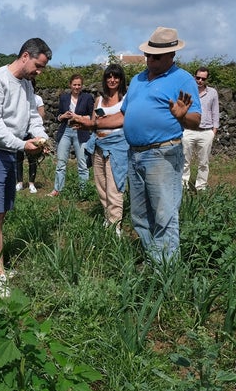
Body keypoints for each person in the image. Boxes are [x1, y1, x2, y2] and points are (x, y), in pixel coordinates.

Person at [0, 37, 51, 294]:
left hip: (7, 150)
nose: (38, 72)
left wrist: (41, 138)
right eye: (37, 66)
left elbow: (31, 117)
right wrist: (23, 144)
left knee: (1, 212)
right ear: (25, 55)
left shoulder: (26, 86)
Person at [116, 26, 201, 265]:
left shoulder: (182, 79)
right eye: (148, 55)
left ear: (172, 56)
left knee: (164, 213)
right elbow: (123, 115)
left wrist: (181, 116)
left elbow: (196, 120)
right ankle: (155, 260)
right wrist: (92, 123)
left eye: (156, 56)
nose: (150, 60)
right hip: (135, 155)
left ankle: (166, 271)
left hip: (162, 154)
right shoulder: (138, 79)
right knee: (140, 215)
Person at [74, 64, 130, 235]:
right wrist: (82, 122)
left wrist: (107, 120)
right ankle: (108, 218)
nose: (112, 80)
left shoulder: (126, 98)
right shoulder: (99, 100)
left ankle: (116, 225)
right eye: (109, 77)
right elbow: (93, 123)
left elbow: (125, 120)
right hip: (99, 143)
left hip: (118, 145)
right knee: (101, 185)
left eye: (116, 77)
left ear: (121, 79)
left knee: (114, 186)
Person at [47, 74, 93, 197]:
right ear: (70, 85)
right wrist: (63, 116)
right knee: (61, 162)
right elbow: (58, 116)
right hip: (66, 131)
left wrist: (78, 117)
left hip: (81, 131)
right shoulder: (64, 98)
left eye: (79, 85)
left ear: (82, 85)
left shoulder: (87, 97)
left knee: (82, 164)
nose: (77, 87)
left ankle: (84, 192)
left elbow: (92, 116)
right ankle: (58, 189)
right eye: (74, 84)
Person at [182, 66, 220, 191]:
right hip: (188, 131)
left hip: (206, 131)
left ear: (207, 79)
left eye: (203, 79)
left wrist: (214, 131)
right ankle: (183, 186)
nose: (200, 81)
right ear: (194, 76)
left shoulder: (212, 93)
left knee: (203, 163)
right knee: (184, 161)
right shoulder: (187, 91)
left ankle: (201, 187)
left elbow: (215, 111)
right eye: (197, 78)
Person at [15, 94, 45, 193]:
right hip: (20, 132)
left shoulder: (37, 99)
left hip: (32, 133)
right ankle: (19, 182)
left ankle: (31, 183)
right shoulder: (17, 97)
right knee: (18, 158)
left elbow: (41, 115)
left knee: (32, 159)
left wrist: (37, 130)